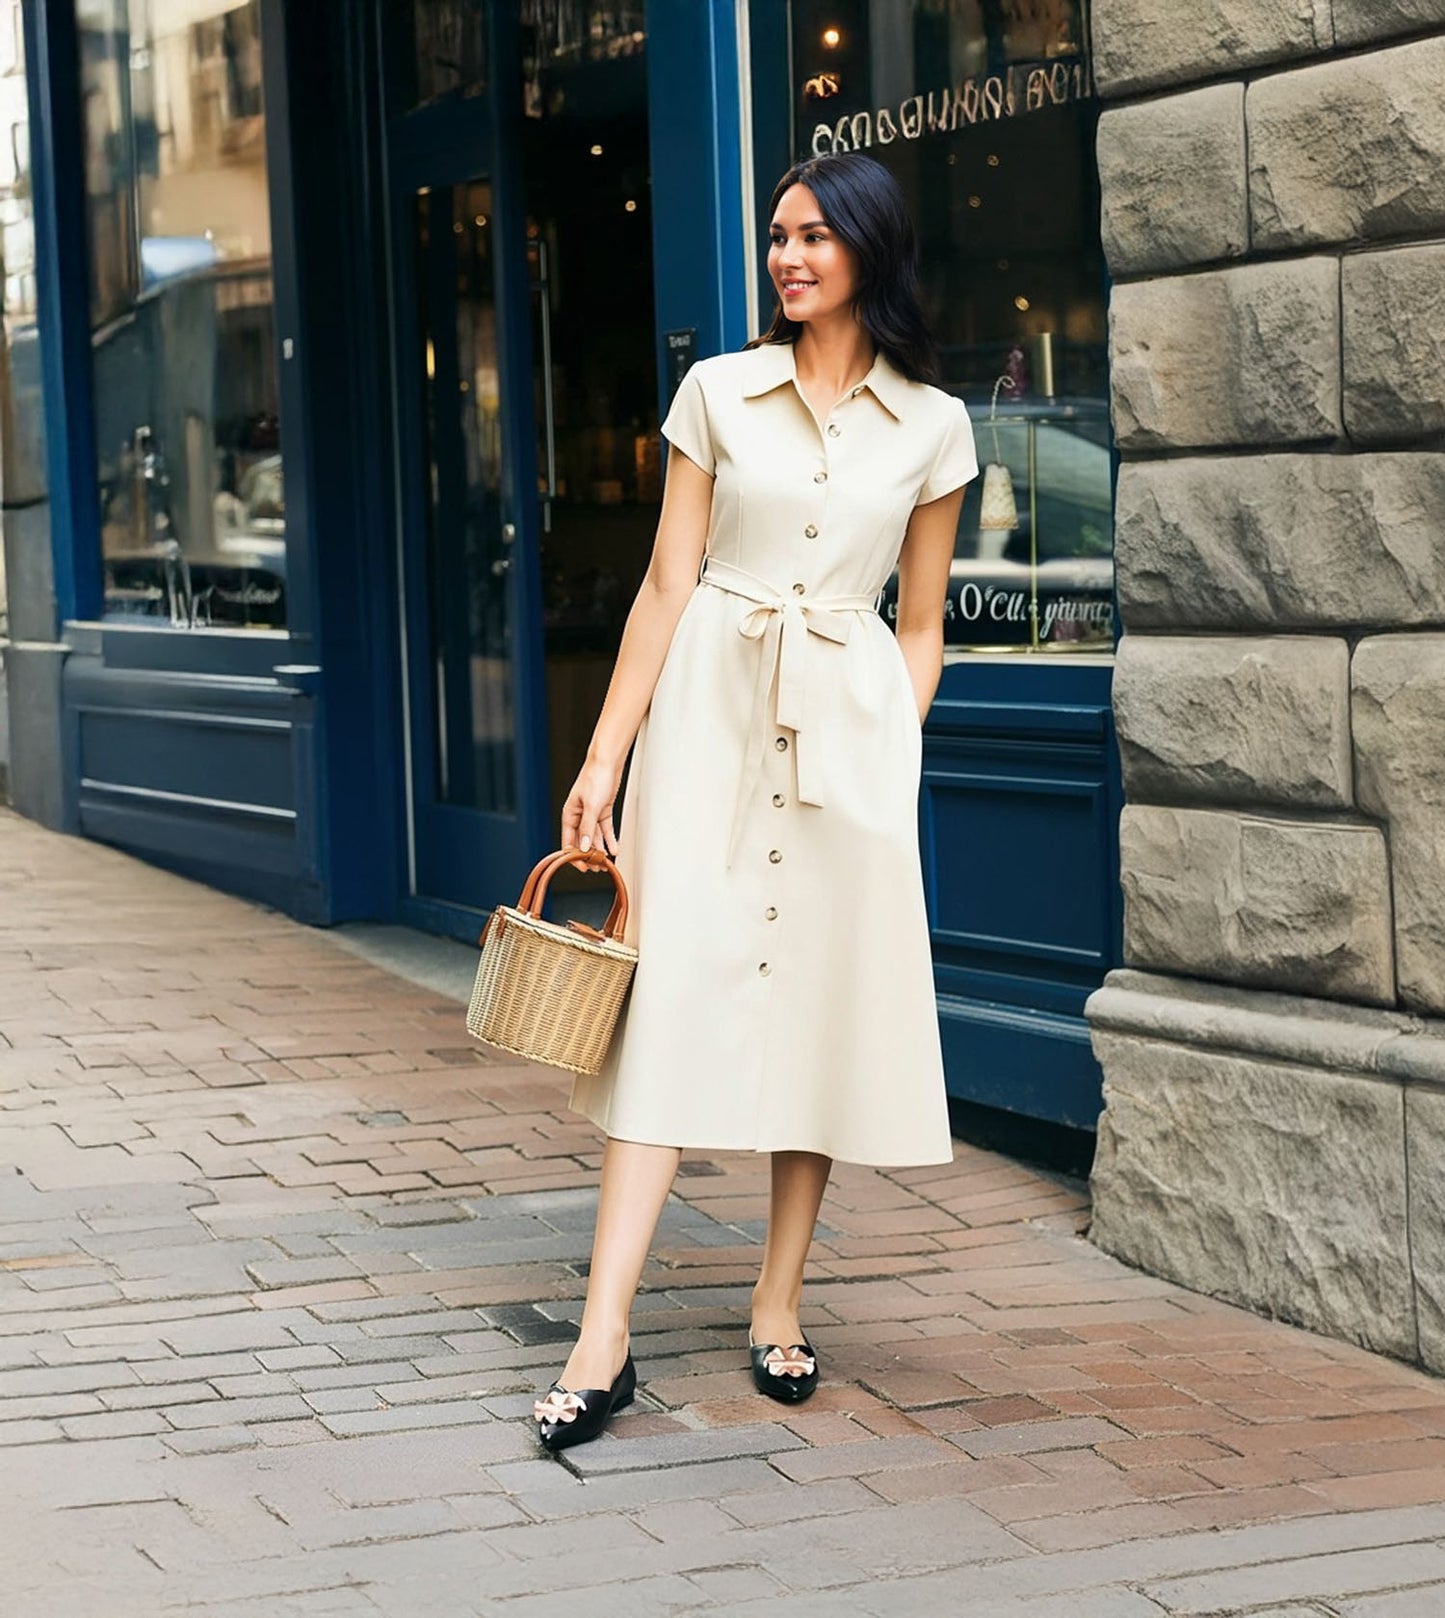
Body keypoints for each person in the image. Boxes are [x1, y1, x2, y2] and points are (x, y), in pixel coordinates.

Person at [532, 151, 978, 1451]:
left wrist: (889, 751)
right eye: (777, 236)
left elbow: (926, 616)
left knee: (817, 1017)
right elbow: (667, 583)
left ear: (868, 253)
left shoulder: (933, 425)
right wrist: (605, 757)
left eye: (813, 237)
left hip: (845, 729)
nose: (786, 257)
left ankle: (776, 1299)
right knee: (667, 996)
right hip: (713, 714)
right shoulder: (715, 393)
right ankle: (601, 1328)